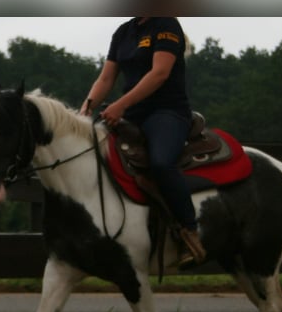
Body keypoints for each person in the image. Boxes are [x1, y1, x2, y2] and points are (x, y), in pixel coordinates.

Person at [80, 17, 206, 268]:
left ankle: (189, 232)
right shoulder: (123, 32)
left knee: (161, 163)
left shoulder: (166, 25)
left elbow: (159, 74)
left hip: (167, 112)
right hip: (131, 115)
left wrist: (120, 105)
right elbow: (106, 79)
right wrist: (84, 110)